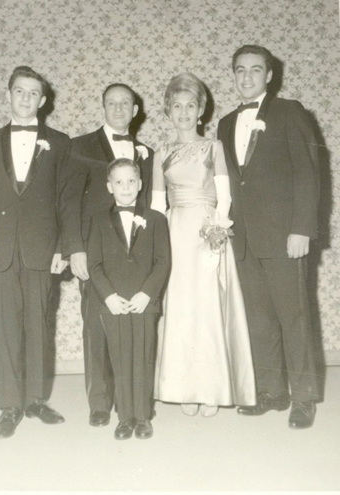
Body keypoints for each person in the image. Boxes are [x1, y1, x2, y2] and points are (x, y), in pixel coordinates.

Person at [0, 66, 71, 438]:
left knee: (39, 324)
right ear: (8, 94)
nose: (25, 99)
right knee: (6, 327)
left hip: (43, 249)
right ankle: (10, 405)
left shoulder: (60, 142)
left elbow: (65, 202)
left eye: (33, 94)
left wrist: (64, 247)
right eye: (19, 92)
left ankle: (36, 400)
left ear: (43, 101)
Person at [217, 45, 320, 429]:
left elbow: (308, 173)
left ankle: (304, 398)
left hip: (284, 236)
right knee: (258, 319)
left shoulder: (290, 112)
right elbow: (228, 182)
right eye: (240, 70)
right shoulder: (226, 123)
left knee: (294, 317)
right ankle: (272, 391)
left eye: (255, 70)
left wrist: (302, 229)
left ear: (269, 75)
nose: (247, 77)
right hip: (242, 238)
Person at [152, 73, 256, 417]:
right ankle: (184, 388)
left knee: (207, 305)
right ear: (168, 110)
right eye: (177, 105)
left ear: (201, 111)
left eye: (191, 105)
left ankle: (212, 387)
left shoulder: (214, 147)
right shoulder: (161, 152)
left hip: (208, 228)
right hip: (174, 231)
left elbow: (224, 195)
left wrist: (216, 227)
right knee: (179, 307)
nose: (184, 112)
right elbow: (156, 204)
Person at [61, 84, 154, 428]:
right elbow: (69, 201)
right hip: (95, 253)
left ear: (135, 110)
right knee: (97, 327)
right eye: (111, 102)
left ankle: (133, 403)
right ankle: (100, 403)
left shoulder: (147, 152)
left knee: (134, 327)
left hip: (135, 256)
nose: (118, 108)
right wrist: (75, 248)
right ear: (103, 107)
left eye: (125, 103)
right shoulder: (80, 146)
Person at [86, 158, 170, 440]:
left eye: (131, 181)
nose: (125, 187)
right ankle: (125, 418)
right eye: (118, 182)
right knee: (120, 359)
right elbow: (94, 265)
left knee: (143, 357)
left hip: (144, 301)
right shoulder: (97, 220)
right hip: (114, 302)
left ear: (141, 184)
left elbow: (162, 262)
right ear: (109, 187)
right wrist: (108, 296)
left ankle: (143, 416)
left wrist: (148, 293)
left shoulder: (157, 219)